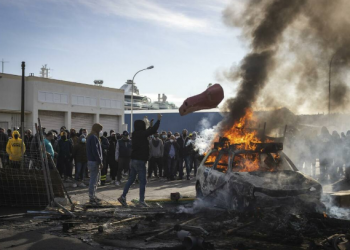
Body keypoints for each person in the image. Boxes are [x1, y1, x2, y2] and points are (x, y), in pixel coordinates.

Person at [118, 114, 162, 207]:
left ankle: (123, 196)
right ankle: (141, 201)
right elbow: (152, 131)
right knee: (143, 181)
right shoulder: (142, 134)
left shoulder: (135, 134)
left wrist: (150, 125)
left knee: (131, 179)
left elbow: (147, 131)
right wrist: (158, 120)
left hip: (133, 160)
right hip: (140, 160)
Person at [86, 123, 104, 204]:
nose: (100, 131)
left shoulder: (90, 137)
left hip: (91, 161)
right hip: (94, 161)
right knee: (94, 180)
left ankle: (93, 195)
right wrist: (100, 161)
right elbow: (95, 151)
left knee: (95, 179)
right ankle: (92, 197)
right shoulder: (93, 137)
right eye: (100, 129)